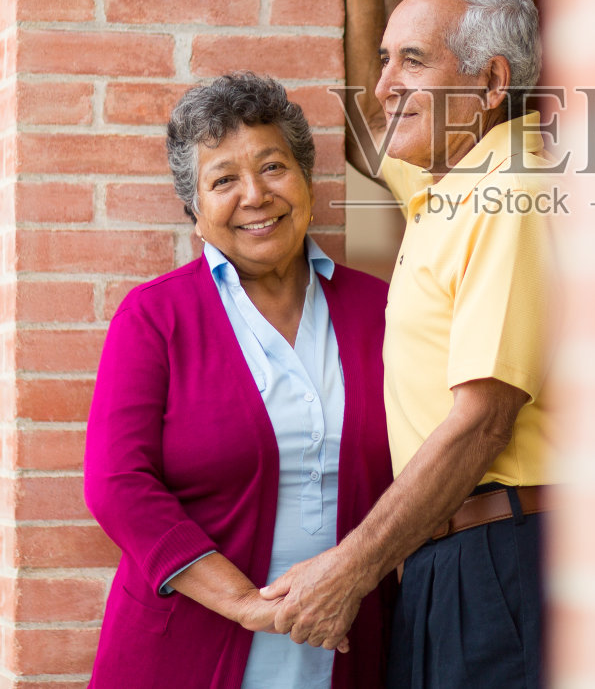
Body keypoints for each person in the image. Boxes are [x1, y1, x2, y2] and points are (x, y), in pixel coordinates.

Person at [258, 0, 555, 689]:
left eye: (412, 62)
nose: (384, 84)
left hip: (500, 555)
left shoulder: (513, 191)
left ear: (490, 82)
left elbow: (482, 420)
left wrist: (350, 567)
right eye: (386, 59)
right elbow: (367, 132)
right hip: (447, 557)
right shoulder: (447, 181)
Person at [84, 71, 395, 689]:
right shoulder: (156, 317)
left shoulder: (383, 311)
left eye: (273, 167)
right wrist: (245, 604)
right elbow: (117, 484)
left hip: (348, 641)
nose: (255, 195)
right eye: (223, 179)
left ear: (307, 182)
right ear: (196, 213)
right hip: (188, 646)